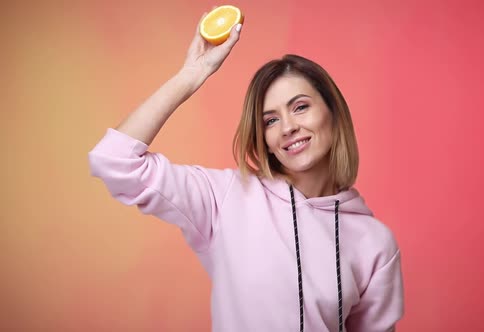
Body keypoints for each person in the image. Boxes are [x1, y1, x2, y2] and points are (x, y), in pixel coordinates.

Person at [88, 10, 404, 332]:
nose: (288, 128)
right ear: (264, 138)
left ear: (333, 113)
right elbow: (114, 160)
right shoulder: (226, 198)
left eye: (300, 107)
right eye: (271, 120)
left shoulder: (375, 243)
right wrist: (190, 75)